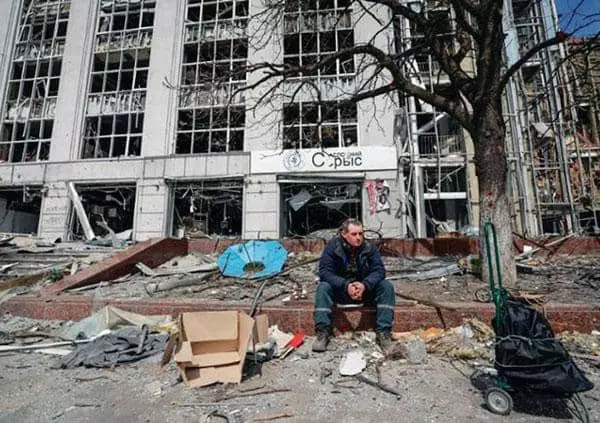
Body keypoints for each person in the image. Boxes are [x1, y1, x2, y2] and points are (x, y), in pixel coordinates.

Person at [312, 218, 395, 352]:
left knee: (386, 286)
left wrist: (364, 285)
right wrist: (346, 286)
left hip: (364, 291)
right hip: (341, 291)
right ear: (344, 234)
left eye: (360, 234)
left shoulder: (369, 247)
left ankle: (384, 333)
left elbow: (379, 271)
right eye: (354, 234)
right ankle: (323, 333)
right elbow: (325, 272)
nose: (358, 238)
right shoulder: (332, 247)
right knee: (323, 287)